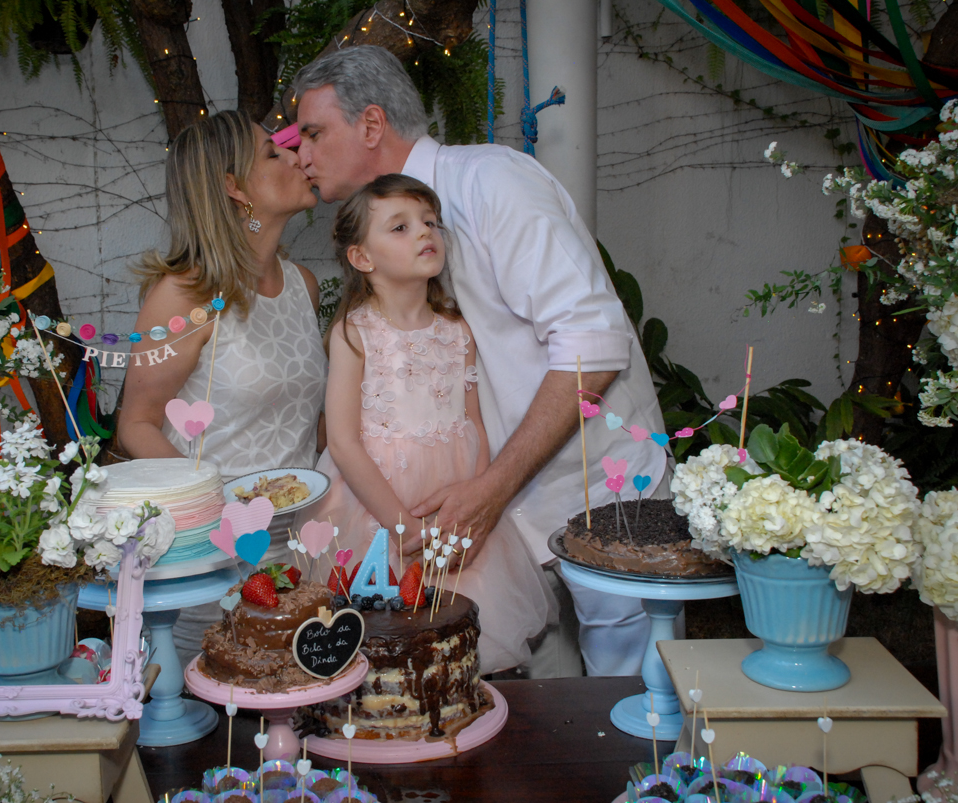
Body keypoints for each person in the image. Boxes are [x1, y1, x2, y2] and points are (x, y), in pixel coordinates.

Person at [292, 47, 669, 677]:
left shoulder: (494, 182)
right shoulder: (374, 295)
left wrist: (492, 490)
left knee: (631, 704)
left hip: (594, 491)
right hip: (492, 516)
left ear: (371, 125)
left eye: (312, 132)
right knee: (516, 714)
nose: (301, 153)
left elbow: (594, 346)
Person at [304, 174, 552, 674]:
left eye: (430, 222)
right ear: (363, 258)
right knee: (379, 636)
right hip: (374, 504)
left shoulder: (458, 328)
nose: (424, 233)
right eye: (400, 227)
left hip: (451, 503)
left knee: (457, 636)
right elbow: (345, 442)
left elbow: (473, 424)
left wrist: (475, 503)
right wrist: (400, 523)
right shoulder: (355, 332)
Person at [118, 109, 328, 664]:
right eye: (272, 152)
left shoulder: (303, 286)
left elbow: (311, 418)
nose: (297, 156)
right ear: (234, 188)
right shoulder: (183, 296)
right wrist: (216, 516)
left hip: (297, 545)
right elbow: (135, 424)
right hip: (209, 554)